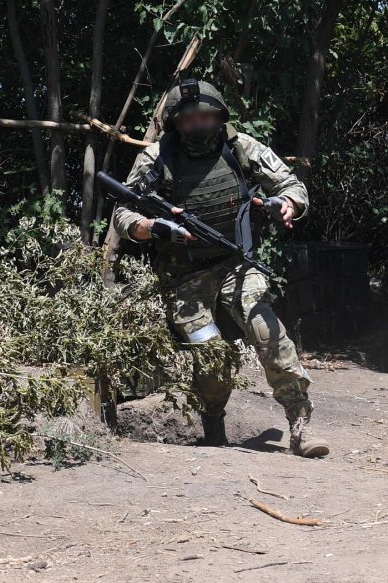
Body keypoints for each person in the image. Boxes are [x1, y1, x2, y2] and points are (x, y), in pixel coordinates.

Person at [112, 79, 329, 458]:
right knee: (212, 354)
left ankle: (299, 423)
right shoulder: (157, 157)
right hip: (186, 276)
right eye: (190, 120)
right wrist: (152, 227)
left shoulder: (240, 146)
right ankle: (214, 423)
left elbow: (292, 185)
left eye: (207, 117)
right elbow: (122, 211)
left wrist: (286, 204)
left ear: (219, 115)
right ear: (176, 124)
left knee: (265, 329)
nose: (200, 126)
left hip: (236, 264)